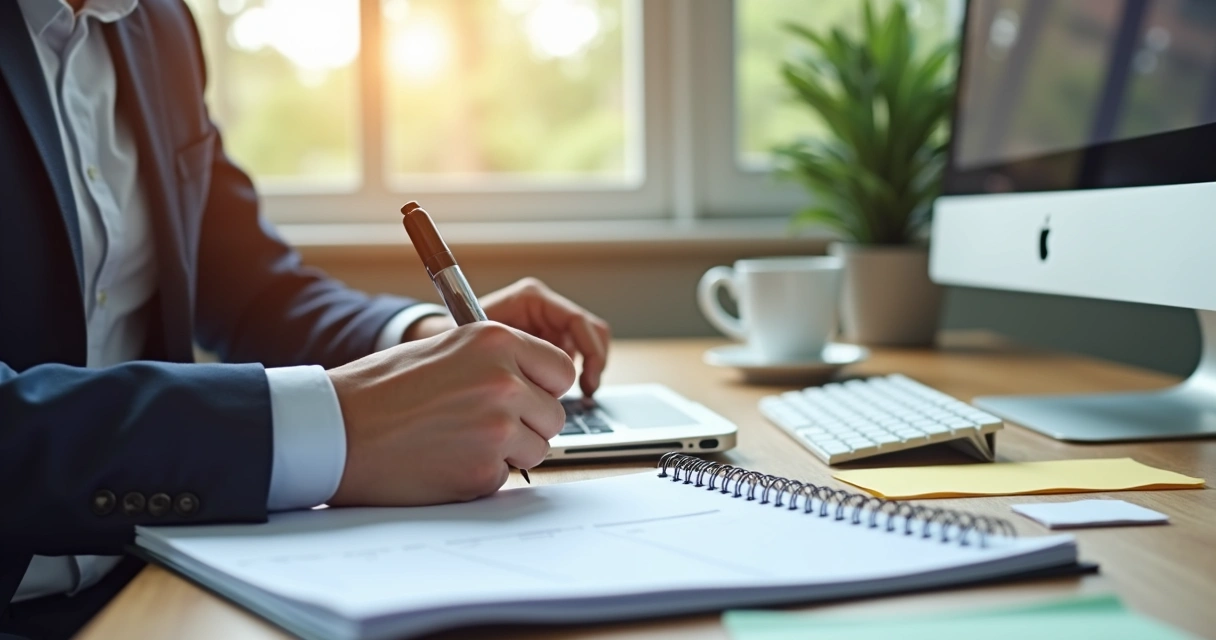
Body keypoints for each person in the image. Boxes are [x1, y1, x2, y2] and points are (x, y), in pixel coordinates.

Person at [0, 0, 611, 636]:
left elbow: (250, 289)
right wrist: (336, 426)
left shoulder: (158, 24)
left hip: (158, 576)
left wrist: (426, 343)